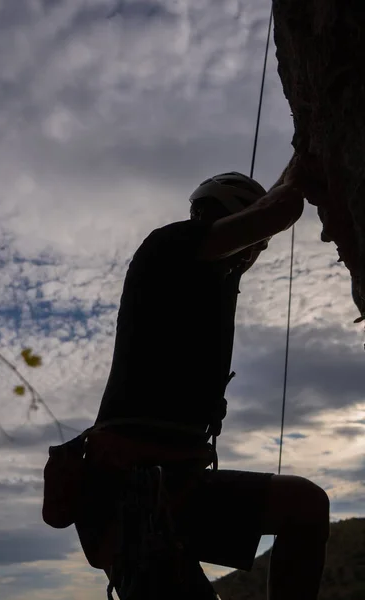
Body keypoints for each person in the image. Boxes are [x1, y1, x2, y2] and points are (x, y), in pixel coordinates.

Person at [92, 159, 330, 600]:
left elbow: (264, 222)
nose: (251, 255)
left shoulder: (205, 271)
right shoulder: (171, 245)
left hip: (171, 479)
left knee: (306, 506)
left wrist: (296, 162)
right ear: (221, 215)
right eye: (247, 244)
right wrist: (307, 161)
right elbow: (276, 213)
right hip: (132, 488)